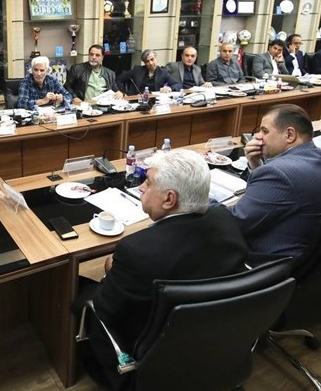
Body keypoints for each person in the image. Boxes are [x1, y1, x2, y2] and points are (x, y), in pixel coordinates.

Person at [76, 149, 247, 389]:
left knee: (79, 291)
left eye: (148, 182)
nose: (141, 187)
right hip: (213, 342)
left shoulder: (136, 251)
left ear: (169, 199)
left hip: (150, 353)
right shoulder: (225, 219)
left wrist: (111, 274)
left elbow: (106, 311)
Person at [227, 104, 321, 265]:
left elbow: (234, 223)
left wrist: (202, 201)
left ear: (290, 135)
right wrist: (255, 164)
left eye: (264, 131)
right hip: (315, 260)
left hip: (271, 264)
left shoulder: (278, 173)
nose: (258, 137)